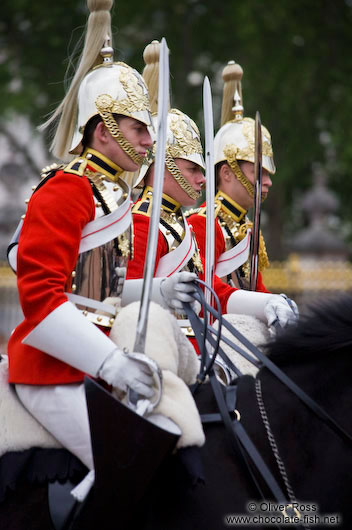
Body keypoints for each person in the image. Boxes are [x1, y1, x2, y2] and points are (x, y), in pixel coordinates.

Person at [7, 0, 196, 482]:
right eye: (138, 129)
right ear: (104, 128)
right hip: (52, 367)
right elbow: (42, 302)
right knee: (132, 463)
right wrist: (111, 362)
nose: (150, 143)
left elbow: (100, 292)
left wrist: (156, 293)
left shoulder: (110, 193)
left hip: (95, 355)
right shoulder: (68, 187)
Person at [126, 42, 298, 340]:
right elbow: (118, 300)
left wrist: (268, 302)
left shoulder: (186, 225)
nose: (202, 180)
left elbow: (214, 291)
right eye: (193, 170)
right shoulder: (148, 222)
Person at [187, 60, 275, 292]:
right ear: (226, 173)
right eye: (259, 173)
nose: (267, 181)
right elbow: (207, 288)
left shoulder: (245, 225)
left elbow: (255, 288)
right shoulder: (204, 223)